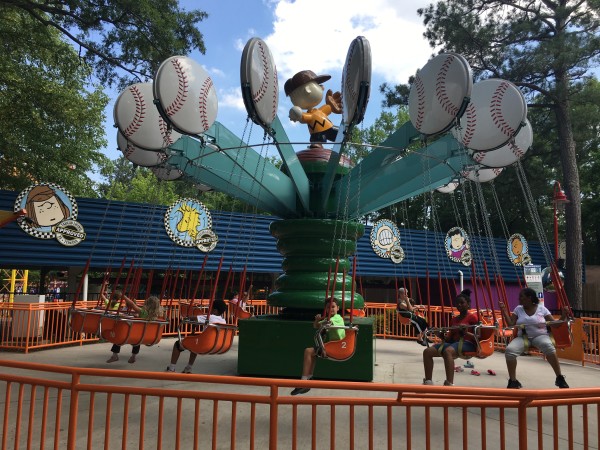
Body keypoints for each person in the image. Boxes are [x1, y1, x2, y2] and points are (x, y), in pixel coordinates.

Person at [499, 287, 570, 389]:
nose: (519, 299)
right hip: (523, 337)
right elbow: (510, 325)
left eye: (521, 297)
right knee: (510, 351)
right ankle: (513, 380)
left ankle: (559, 377)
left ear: (529, 298)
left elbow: (555, 325)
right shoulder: (518, 309)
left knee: (548, 346)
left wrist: (563, 316)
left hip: (540, 336)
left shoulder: (542, 309)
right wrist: (504, 311)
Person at [422, 289, 478, 386]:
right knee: (427, 352)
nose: (459, 305)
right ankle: (428, 381)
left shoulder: (473, 318)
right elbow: (448, 339)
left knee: (448, 351)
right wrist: (439, 334)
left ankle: (449, 383)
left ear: (468, 304)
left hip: (468, 344)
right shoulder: (454, 320)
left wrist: (466, 333)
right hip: (453, 344)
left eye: (462, 303)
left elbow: (478, 337)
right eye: (457, 303)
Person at [291, 297, 346, 396]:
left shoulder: (337, 317)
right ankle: (309, 377)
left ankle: (303, 382)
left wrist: (322, 322)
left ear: (338, 308)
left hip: (339, 347)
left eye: (333, 307)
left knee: (308, 351)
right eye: (328, 307)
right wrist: (317, 320)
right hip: (332, 346)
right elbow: (316, 326)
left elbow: (327, 323)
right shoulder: (328, 318)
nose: (331, 309)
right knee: (313, 354)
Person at [166, 298, 227, 374]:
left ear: (214, 310)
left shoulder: (209, 317)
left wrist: (189, 316)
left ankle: (171, 368)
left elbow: (191, 318)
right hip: (217, 345)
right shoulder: (223, 321)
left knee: (177, 344)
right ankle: (188, 368)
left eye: (210, 307)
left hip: (205, 345)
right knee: (195, 341)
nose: (209, 309)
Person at [284, 70, 342, 146]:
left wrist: (331, 105)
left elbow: (328, 108)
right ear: (307, 90)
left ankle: (344, 136)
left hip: (330, 128)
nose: (322, 87)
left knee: (341, 134)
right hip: (317, 133)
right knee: (317, 139)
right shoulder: (309, 115)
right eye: (319, 85)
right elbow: (303, 117)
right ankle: (317, 144)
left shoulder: (319, 111)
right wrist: (297, 114)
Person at [106, 295, 163, 364]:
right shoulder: (158, 315)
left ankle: (114, 355)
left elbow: (132, 304)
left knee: (120, 336)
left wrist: (124, 296)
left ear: (147, 304)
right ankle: (133, 356)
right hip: (145, 336)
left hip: (134, 334)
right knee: (138, 340)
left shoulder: (143, 312)